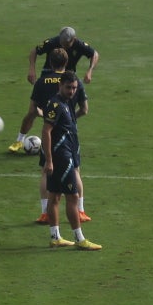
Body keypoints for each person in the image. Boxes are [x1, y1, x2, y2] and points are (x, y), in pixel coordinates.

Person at [31, 49, 92, 227]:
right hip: (70, 138)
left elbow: (33, 110)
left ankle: (44, 213)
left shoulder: (42, 82)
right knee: (76, 171)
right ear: (66, 63)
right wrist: (70, 120)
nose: (72, 90)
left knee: (47, 173)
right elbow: (85, 109)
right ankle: (80, 211)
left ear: (50, 63)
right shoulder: (76, 82)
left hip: (57, 139)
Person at [40, 73, 100, 250]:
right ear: (60, 85)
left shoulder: (66, 103)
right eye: (69, 87)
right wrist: (49, 160)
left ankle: (55, 236)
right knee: (72, 196)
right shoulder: (56, 104)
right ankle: (79, 239)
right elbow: (46, 131)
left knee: (55, 196)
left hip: (66, 153)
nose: (72, 91)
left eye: (74, 88)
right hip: (61, 157)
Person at [15, 25, 99, 149]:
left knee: (59, 111)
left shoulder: (80, 45)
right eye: (62, 43)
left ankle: (61, 126)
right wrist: (31, 68)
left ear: (74, 39)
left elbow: (94, 54)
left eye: (67, 44)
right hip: (48, 77)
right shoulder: (53, 42)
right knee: (34, 111)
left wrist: (90, 70)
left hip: (68, 80)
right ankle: (19, 140)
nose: (63, 46)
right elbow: (35, 51)